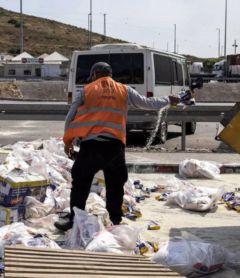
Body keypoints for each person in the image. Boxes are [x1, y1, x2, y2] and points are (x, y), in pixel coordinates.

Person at [54, 62, 181, 231]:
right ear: (110, 75)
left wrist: (68, 141)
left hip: (92, 145)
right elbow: (147, 103)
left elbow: (71, 116)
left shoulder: (86, 90)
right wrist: (168, 99)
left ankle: (74, 220)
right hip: (115, 146)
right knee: (115, 184)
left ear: (95, 75)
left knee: (81, 183)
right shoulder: (125, 90)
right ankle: (115, 221)